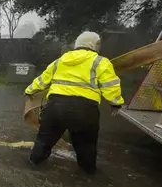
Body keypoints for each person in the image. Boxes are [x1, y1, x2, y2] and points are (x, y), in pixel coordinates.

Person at [25, 32, 124, 174]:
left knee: (43, 143)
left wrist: (29, 90)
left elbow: (42, 80)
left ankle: (32, 167)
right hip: (84, 111)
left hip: (55, 108)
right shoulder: (100, 61)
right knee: (86, 148)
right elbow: (110, 85)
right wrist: (115, 103)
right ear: (95, 44)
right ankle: (88, 178)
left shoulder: (60, 61)